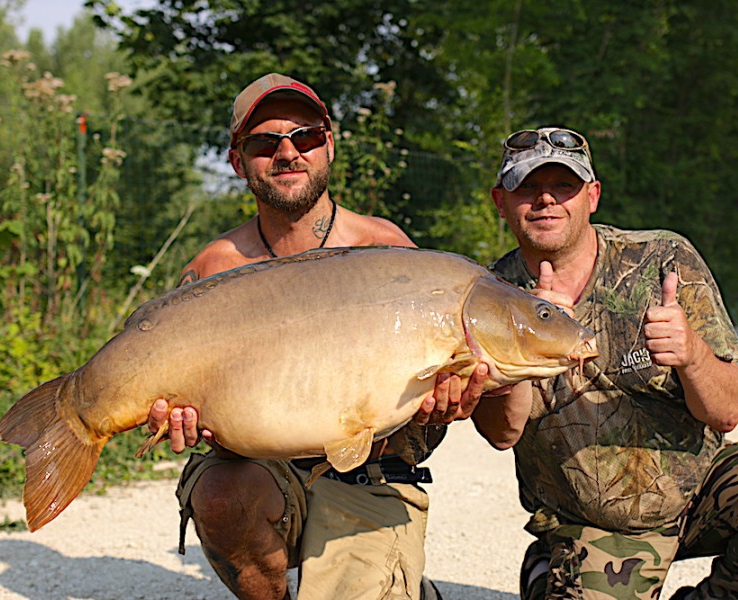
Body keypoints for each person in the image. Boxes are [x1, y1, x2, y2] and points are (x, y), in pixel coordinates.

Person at [145, 73, 487, 600]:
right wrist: (181, 418)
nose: (288, 153)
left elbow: (434, 403)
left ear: (328, 144)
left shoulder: (387, 251)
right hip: (260, 469)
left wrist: (440, 405)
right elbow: (180, 397)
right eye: (264, 143)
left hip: (370, 468)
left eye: (304, 136)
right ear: (238, 162)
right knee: (219, 494)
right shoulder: (214, 269)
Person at [472, 126, 738, 599]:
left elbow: (727, 412)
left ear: (593, 196)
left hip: (698, 491)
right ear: (501, 202)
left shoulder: (664, 259)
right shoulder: (488, 295)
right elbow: (502, 434)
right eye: (527, 187)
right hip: (591, 524)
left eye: (563, 186)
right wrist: (531, 345)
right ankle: (552, 568)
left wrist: (691, 354)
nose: (546, 200)